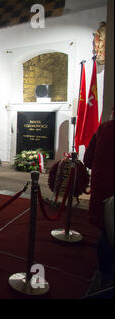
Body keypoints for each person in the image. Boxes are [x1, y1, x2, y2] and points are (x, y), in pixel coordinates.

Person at [83, 111, 114, 295]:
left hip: (104, 191)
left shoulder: (103, 129)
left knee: (107, 230)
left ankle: (105, 274)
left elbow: (88, 159)